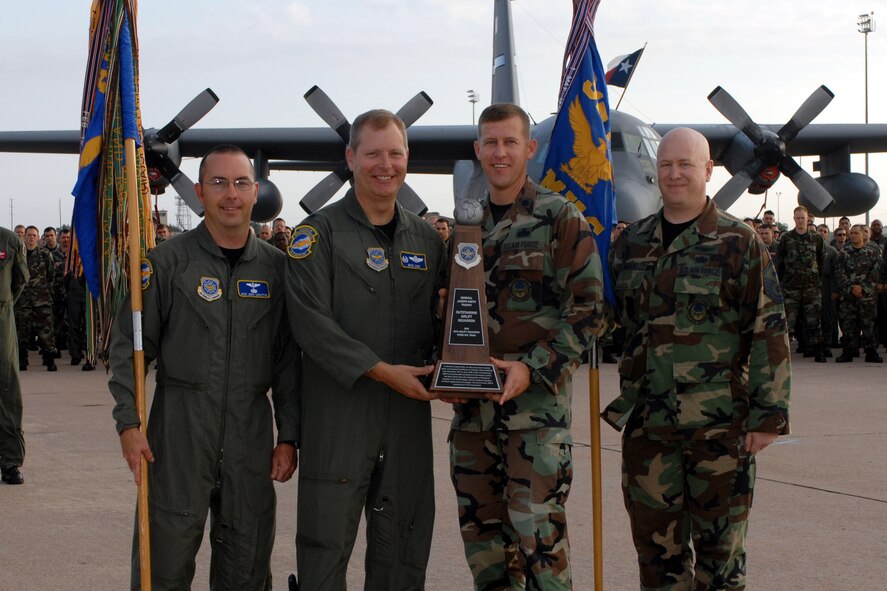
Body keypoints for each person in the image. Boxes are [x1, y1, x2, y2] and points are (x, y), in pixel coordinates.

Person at [108, 145, 300, 590]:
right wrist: (128, 424)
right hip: (177, 438)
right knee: (163, 568)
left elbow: (289, 361)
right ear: (198, 192)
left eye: (240, 183)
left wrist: (289, 435)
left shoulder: (278, 271)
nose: (230, 194)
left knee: (246, 568)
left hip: (250, 440)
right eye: (218, 183)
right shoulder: (166, 264)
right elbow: (128, 351)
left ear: (256, 193)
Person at [605, 128, 791, 590]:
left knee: (720, 561)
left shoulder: (739, 241)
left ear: (707, 170)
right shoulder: (630, 245)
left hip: (721, 431)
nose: (674, 174)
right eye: (666, 165)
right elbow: (608, 320)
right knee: (657, 559)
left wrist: (768, 416)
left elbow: (768, 327)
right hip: (649, 429)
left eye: (686, 164)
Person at [285, 109, 446, 590]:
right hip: (340, 413)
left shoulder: (427, 240)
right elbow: (310, 324)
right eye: (373, 153)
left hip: (407, 416)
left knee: (405, 543)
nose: (385, 164)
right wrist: (378, 370)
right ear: (351, 157)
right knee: (325, 545)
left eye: (395, 153)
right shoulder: (317, 236)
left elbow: (446, 322)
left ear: (407, 159)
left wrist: (456, 367)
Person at [447, 103, 606, 590]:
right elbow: (448, 312)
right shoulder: (463, 229)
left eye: (510, 142)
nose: (499, 153)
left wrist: (530, 369)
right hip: (473, 419)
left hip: (534, 421)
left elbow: (591, 311)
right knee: (486, 550)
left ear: (529, 148)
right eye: (490, 143)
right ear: (478, 150)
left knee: (540, 548)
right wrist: (444, 370)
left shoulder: (559, 219)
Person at [776, 206, 826, 362]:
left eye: (803, 218)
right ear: (794, 219)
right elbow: (780, 262)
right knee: (788, 322)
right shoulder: (786, 238)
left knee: (814, 321)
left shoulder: (817, 238)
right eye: (797, 218)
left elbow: (821, 261)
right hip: (791, 288)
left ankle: (818, 351)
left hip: (811, 287)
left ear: (808, 219)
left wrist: (816, 279)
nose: (800, 221)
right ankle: (784, 354)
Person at [0, 225, 29, 485]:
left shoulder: (8, 241)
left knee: (7, 388)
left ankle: (9, 462)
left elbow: (20, 280)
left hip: (1, 322)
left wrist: (4, 306)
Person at [835, 224, 883, 363]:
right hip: (849, 296)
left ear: (863, 235)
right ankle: (848, 351)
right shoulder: (843, 253)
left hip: (867, 296)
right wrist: (851, 288)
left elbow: (875, 272)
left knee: (869, 324)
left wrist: (862, 288)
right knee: (848, 325)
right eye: (852, 233)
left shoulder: (873, 253)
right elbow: (839, 273)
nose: (854, 235)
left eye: (857, 233)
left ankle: (871, 352)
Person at [15, 225, 58, 371]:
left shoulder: (45, 255)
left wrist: (45, 292)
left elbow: (51, 276)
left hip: (42, 300)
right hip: (23, 301)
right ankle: (22, 360)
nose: (31, 238)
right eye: (29, 235)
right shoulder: (18, 255)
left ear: (38, 237)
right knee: (22, 332)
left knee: (46, 332)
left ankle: (50, 359)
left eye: (34, 235)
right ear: (24, 237)